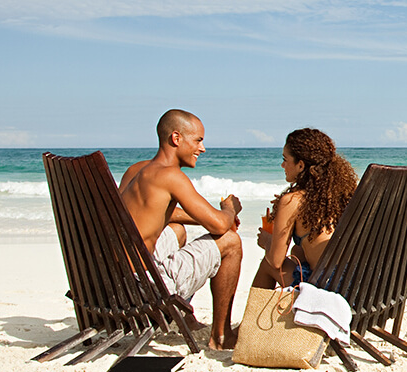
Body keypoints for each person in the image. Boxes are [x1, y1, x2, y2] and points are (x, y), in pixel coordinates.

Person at [118, 109, 244, 350]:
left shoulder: (137, 171)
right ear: (176, 139)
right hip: (142, 289)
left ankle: (187, 316)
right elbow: (219, 225)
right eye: (198, 140)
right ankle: (221, 336)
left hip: (113, 281)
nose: (203, 148)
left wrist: (202, 219)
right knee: (230, 241)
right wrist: (229, 210)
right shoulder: (171, 176)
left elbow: (151, 214)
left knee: (176, 230)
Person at [252, 128, 357, 289]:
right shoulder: (343, 194)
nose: (282, 165)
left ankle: (254, 315)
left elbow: (275, 261)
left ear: (300, 165)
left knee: (268, 265)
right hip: (361, 282)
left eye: (285, 159)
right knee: (298, 252)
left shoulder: (292, 201)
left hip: (332, 288)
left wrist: (267, 241)